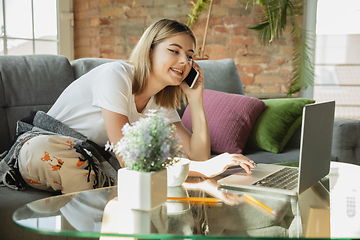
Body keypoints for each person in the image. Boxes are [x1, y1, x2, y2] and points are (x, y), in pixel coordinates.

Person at [16, 19, 256, 194]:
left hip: (96, 165)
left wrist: (195, 99)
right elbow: (127, 158)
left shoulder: (160, 102)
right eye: (174, 51)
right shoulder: (116, 75)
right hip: (45, 148)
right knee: (67, 158)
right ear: (149, 51)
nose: (185, 61)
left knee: (117, 177)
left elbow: (198, 154)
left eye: (190, 56)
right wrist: (202, 170)